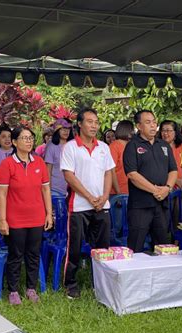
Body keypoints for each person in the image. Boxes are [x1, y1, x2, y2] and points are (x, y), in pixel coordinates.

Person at [61, 108, 114, 299]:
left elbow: (109, 172)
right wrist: (89, 197)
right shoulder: (70, 148)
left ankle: (99, 282)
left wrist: (105, 196)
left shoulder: (103, 147)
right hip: (79, 206)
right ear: (80, 124)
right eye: (90, 122)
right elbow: (69, 175)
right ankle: (71, 284)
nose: (94, 126)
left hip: (102, 205)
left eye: (96, 122)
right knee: (74, 247)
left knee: (102, 247)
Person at [0, 126, 53, 305]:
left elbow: (46, 189)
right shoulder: (7, 164)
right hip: (15, 219)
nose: (28, 141)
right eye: (24, 138)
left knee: (33, 254)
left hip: (36, 217)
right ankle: (13, 290)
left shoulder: (39, 162)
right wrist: (3, 219)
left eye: (30, 138)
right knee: (15, 255)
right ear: (14, 142)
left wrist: (48, 214)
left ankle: (31, 288)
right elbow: (2, 194)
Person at [123, 110, 177, 252]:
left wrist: (167, 188)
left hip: (161, 203)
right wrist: (155, 190)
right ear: (139, 126)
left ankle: (163, 275)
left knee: (163, 246)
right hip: (141, 206)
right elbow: (132, 175)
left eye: (154, 122)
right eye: (148, 122)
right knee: (136, 246)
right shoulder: (132, 146)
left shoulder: (164, 145)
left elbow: (173, 170)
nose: (153, 126)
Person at [45, 119, 74, 195]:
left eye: (68, 129)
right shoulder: (51, 146)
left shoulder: (73, 145)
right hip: (55, 190)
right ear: (57, 130)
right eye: (63, 129)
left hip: (73, 189)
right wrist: (48, 191)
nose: (66, 131)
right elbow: (48, 170)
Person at [110, 120, 134, 195]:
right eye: (132, 130)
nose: (133, 132)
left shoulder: (131, 146)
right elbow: (111, 171)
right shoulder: (114, 146)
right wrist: (118, 192)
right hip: (116, 193)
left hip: (130, 191)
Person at [158, 120, 182, 188]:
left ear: (175, 132)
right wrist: (176, 180)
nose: (165, 133)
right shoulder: (157, 148)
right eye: (163, 130)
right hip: (165, 187)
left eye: (168, 130)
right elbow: (157, 169)